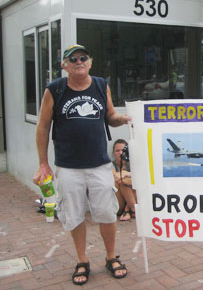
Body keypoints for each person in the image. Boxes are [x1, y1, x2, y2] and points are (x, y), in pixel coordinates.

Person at [33, 44, 131, 285]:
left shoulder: (100, 85)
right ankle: (82, 260)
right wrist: (42, 163)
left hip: (99, 164)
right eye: (72, 59)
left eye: (83, 57)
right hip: (68, 166)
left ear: (90, 61)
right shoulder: (54, 90)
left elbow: (110, 116)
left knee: (107, 213)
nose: (78, 61)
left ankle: (110, 257)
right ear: (65, 65)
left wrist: (127, 119)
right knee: (74, 215)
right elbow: (43, 126)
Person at [111, 139, 137, 221]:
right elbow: (115, 177)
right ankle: (132, 209)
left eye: (123, 150)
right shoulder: (111, 165)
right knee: (122, 181)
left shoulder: (133, 164)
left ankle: (128, 210)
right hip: (118, 204)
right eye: (117, 151)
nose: (120, 153)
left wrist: (126, 174)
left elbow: (141, 179)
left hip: (131, 199)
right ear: (113, 153)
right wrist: (125, 174)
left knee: (131, 181)